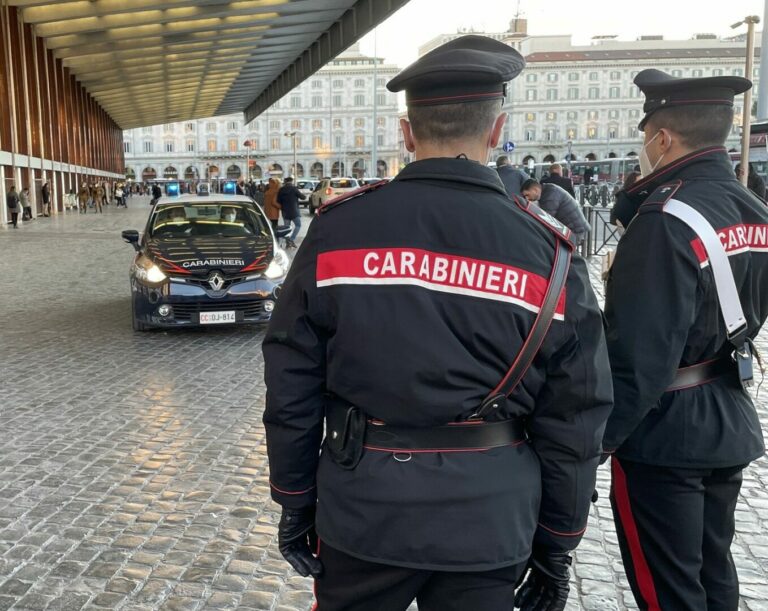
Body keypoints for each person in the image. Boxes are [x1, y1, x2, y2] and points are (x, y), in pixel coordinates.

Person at [262, 35, 612, 611]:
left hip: (365, 507)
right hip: (490, 516)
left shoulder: (338, 230)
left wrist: (295, 497)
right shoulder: (549, 250)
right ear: (497, 130)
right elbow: (576, 411)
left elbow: (291, 377)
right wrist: (558, 541)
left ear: (407, 133)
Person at [602, 69, 768, 611]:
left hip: (665, 431)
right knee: (714, 575)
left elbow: (638, 358)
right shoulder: (754, 209)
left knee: (669, 592)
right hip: (726, 412)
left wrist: (594, 444)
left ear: (662, 138)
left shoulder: (665, 218)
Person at [521, 178, 590, 245]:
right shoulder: (547, 191)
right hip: (572, 229)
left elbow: (545, 221)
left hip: (575, 231)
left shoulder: (550, 195)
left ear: (535, 190)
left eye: (527, 195)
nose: (526, 198)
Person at [276, 176, 302, 248]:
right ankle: (291, 239)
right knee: (298, 225)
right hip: (294, 211)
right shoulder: (294, 189)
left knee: (287, 228)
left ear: (285, 182)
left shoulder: (281, 189)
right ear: (291, 181)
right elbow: (303, 197)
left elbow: (278, 200)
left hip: (285, 211)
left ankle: (288, 243)